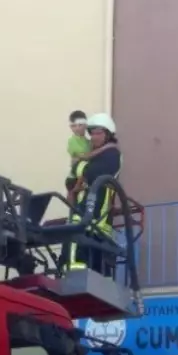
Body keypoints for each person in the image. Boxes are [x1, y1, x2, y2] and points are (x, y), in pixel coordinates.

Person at [66, 113, 122, 275]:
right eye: (92, 133)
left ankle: (77, 279)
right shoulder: (91, 156)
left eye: (99, 133)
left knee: (91, 261)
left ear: (108, 135)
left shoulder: (112, 154)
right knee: (78, 255)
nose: (94, 137)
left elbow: (94, 174)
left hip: (97, 216)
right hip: (84, 215)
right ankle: (73, 279)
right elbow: (69, 182)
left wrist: (80, 168)